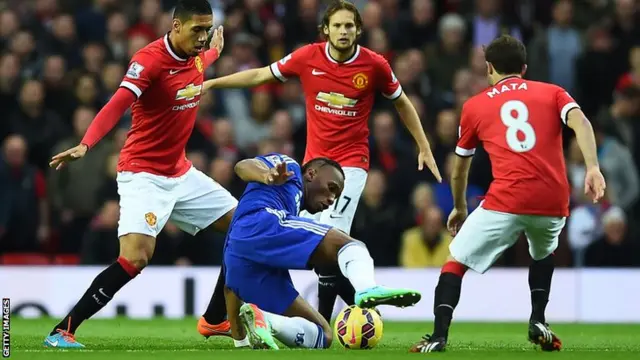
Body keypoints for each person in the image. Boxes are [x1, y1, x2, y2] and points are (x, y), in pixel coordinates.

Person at [196, 0, 441, 335]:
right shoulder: (307, 57)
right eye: (338, 26)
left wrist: (423, 145)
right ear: (326, 29)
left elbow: (401, 102)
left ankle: (345, 309)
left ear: (358, 30)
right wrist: (211, 83)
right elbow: (259, 75)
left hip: (350, 168)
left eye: (350, 26)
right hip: (313, 170)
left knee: (333, 238)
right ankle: (342, 308)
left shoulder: (374, 65)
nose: (344, 32)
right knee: (319, 249)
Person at [44, 0, 236, 348]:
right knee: (136, 257)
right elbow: (118, 102)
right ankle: (62, 330)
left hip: (181, 172)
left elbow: (203, 59)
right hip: (143, 174)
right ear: (175, 26)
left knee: (246, 226)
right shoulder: (148, 61)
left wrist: (215, 51)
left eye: (208, 30)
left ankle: (215, 318)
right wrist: (86, 143)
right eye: (197, 29)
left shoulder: (197, 53)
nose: (203, 37)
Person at [410, 35, 606, 353]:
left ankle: (438, 336)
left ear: (489, 68)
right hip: (553, 202)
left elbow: (460, 168)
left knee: (456, 260)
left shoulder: (474, 105)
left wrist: (459, 207)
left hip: (507, 201)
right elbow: (580, 122)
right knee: (542, 252)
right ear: (524, 68)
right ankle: (538, 319)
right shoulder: (554, 92)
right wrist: (593, 167)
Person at [222, 153, 421, 350]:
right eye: (331, 188)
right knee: (349, 245)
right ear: (311, 173)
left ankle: (265, 320)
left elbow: (230, 286)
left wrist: (240, 341)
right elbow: (243, 165)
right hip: (263, 221)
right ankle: (367, 287)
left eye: (335, 196)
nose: (331, 199)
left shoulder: (291, 204)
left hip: (240, 258)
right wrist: (267, 174)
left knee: (323, 335)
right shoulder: (290, 169)